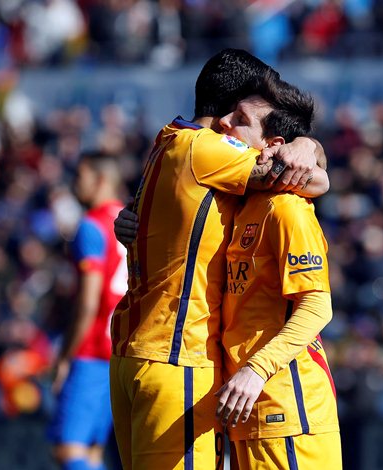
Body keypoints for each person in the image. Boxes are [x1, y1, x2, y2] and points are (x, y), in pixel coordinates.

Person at [108, 49, 330, 470]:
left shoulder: (169, 140)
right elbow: (316, 179)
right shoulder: (208, 151)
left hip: (138, 352)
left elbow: (316, 305)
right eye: (240, 115)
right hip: (177, 355)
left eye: (243, 122)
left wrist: (304, 141)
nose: (231, 126)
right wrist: (310, 149)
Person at [214, 80, 341, 469]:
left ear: (273, 145)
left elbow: (317, 306)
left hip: (288, 407)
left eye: (240, 120)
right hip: (247, 408)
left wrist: (256, 370)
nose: (222, 123)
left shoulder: (285, 210)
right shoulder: (241, 203)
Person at [49, 152, 128, 470]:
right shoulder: (129, 218)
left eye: (79, 176)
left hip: (92, 350)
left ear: (100, 179)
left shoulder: (91, 226)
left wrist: (66, 356)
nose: (74, 183)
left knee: (68, 450)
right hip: (119, 350)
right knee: (94, 451)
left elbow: (88, 301)